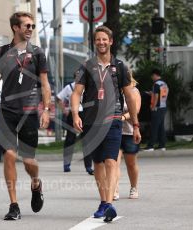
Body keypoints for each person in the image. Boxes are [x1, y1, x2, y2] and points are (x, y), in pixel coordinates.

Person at [71, 25, 141, 222]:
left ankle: (109, 203)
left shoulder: (120, 67)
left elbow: (130, 96)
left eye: (105, 39)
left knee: (111, 161)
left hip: (113, 120)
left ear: (111, 42)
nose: (101, 42)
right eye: (98, 39)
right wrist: (76, 114)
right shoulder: (86, 66)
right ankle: (104, 202)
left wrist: (135, 125)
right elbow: (76, 93)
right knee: (98, 164)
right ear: (95, 42)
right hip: (92, 122)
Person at [0, 11, 51, 220]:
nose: (30, 29)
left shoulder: (38, 53)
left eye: (32, 26)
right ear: (15, 27)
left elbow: (45, 83)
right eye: (27, 26)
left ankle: (36, 183)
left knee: (29, 161)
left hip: (30, 113)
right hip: (6, 112)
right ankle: (14, 205)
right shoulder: (1, 52)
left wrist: (46, 109)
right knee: (9, 156)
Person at [56, 80, 93, 175]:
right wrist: (64, 110)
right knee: (70, 139)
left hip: (86, 114)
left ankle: (88, 166)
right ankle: (66, 164)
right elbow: (58, 98)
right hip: (72, 114)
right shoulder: (69, 87)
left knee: (87, 141)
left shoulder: (88, 86)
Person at [114, 72, 141, 201]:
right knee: (114, 162)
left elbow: (136, 110)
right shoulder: (114, 91)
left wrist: (123, 117)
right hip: (115, 131)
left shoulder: (134, 91)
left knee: (131, 163)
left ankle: (134, 187)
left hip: (129, 132)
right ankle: (114, 189)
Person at [144, 69, 169, 151]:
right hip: (163, 106)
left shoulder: (156, 84)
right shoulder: (164, 83)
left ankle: (151, 145)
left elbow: (156, 96)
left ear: (155, 75)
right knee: (161, 127)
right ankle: (162, 145)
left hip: (157, 108)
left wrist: (153, 106)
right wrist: (152, 94)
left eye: (152, 76)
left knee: (154, 127)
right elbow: (164, 94)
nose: (152, 78)